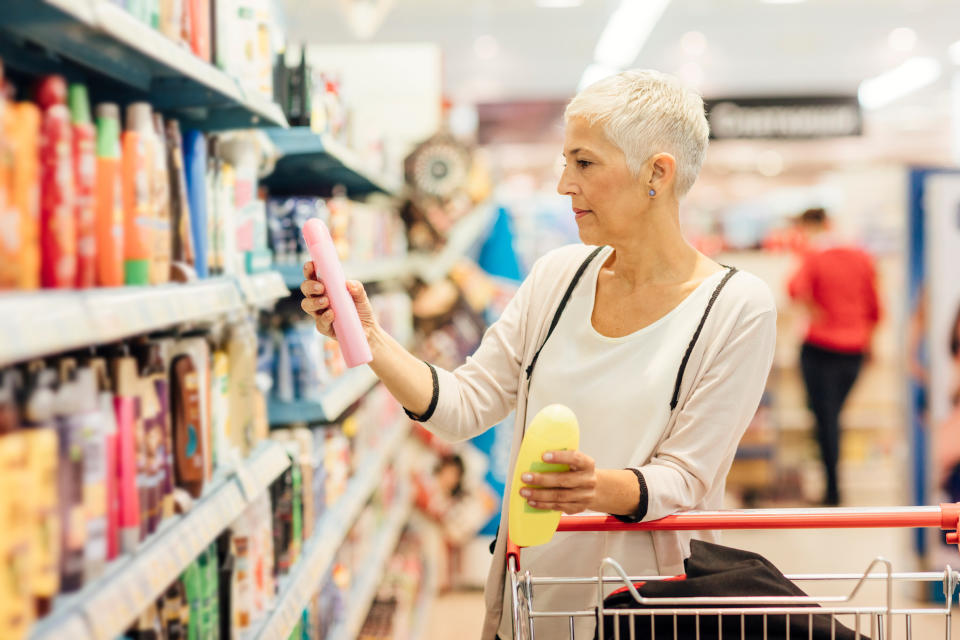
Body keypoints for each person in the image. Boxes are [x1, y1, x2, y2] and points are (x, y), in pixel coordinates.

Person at [300, 69, 777, 639]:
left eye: (584, 163)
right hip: (533, 604)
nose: (563, 185)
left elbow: (684, 478)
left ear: (657, 172)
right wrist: (370, 338)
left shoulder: (735, 307)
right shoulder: (558, 278)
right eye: (565, 162)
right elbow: (464, 405)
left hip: (650, 611)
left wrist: (594, 488)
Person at [788, 207, 881, 506]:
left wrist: (816, 311)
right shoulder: (862, 256)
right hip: (854, 351)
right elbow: (876, 309)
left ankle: (833, 493)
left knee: (825, 420)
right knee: (833, 418)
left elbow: (794, 289)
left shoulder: (814, 255)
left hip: (820, 348)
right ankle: (833, 489)